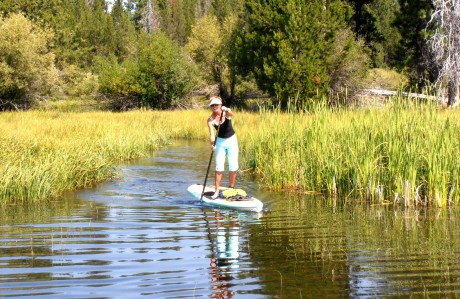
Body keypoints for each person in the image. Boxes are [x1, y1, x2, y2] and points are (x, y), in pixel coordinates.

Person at [207, 96, 238, 199]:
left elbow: (231, 114)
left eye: (216, 104)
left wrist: (227, 109)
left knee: (233, 166)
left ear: (220, 105)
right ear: (211, 107)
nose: (215, 106)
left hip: (232, 140)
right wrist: (212, 143)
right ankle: (216, 191)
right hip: (219, 141)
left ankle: (231, 188)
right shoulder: (210, 120)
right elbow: (212, 134)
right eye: (213, 105)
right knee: (219, 166)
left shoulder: (225, 112)